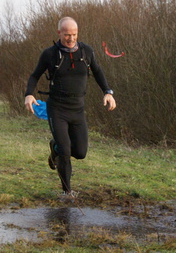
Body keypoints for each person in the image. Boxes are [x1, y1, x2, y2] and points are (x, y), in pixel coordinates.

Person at [24, 17, 116, 197]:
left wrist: (108, 91)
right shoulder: (49, 54)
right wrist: (28, 94)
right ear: (59, 33)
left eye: (74, 35)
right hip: (57, 109)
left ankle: (54, 148)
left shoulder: (86, 51)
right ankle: (67, 192)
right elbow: (34, 76)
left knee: (80, 152)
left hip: (77, 109)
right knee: (66, 151)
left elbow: (97, 71)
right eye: (67, 35)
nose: (71, 38)